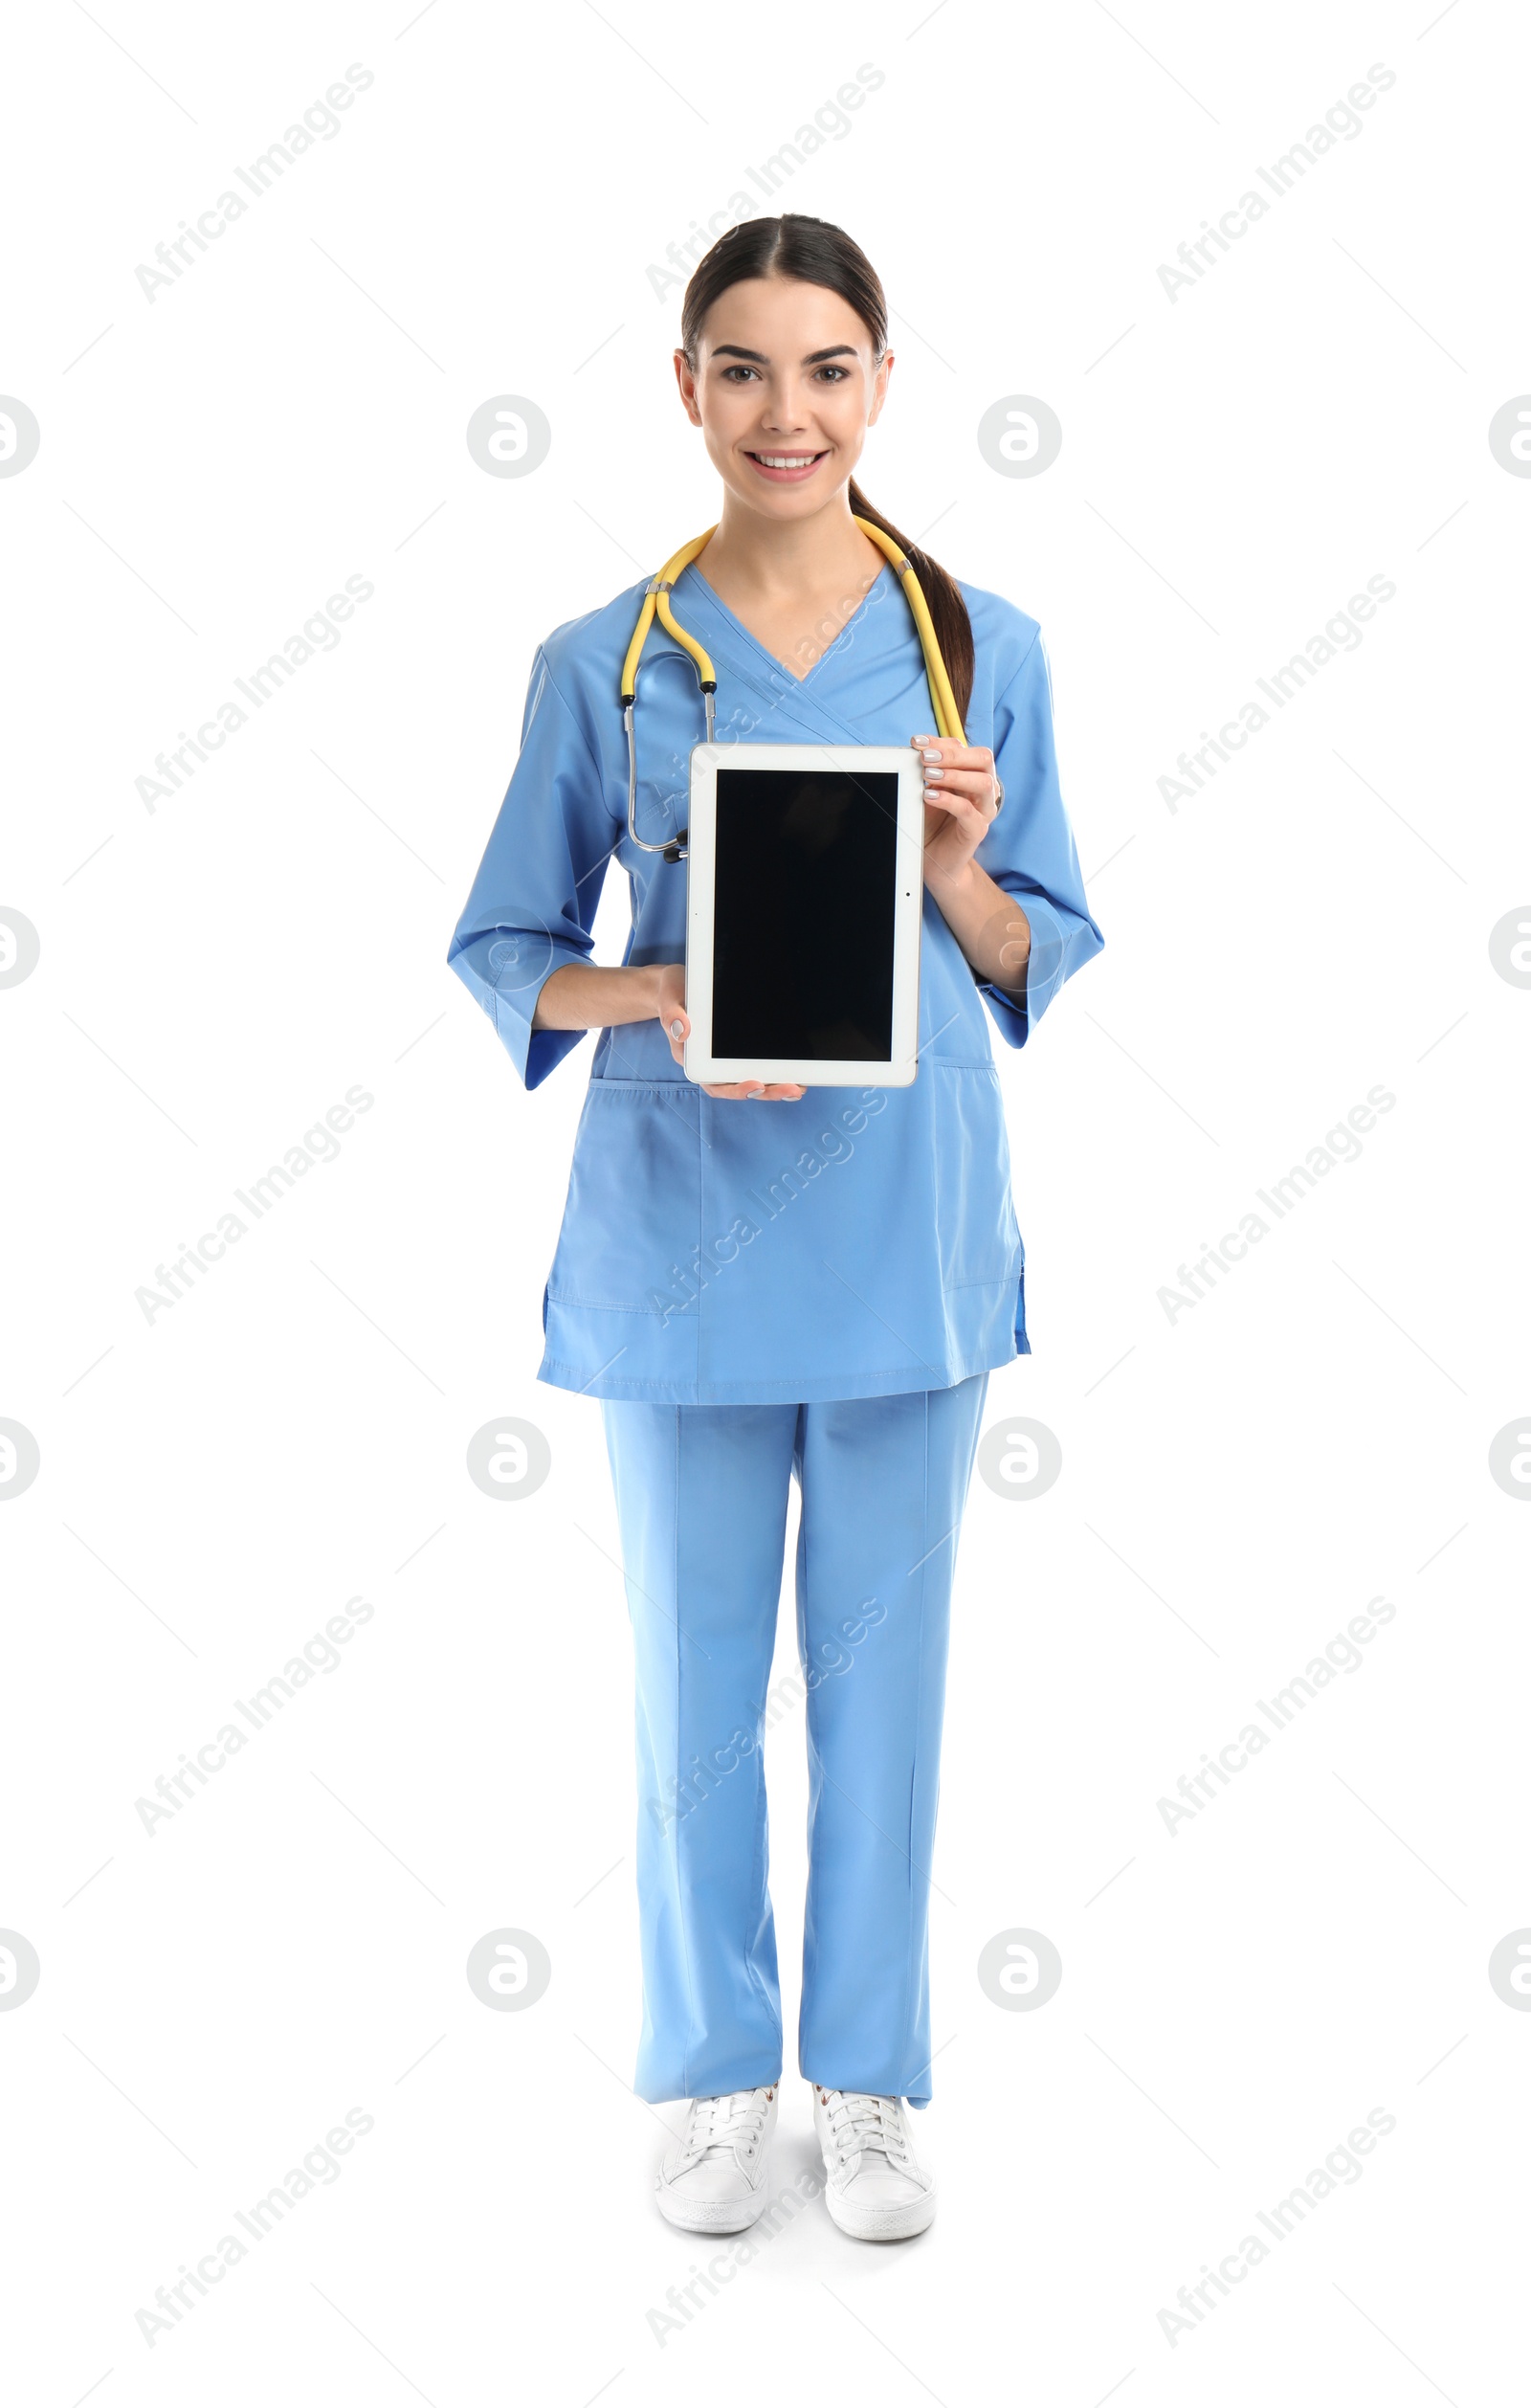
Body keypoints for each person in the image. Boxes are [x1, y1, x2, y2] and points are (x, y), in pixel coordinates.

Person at [448, 212, 1103, 2242]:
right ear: (684, 391)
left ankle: (874, 2080)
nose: (784, 411)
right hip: (688, 1234)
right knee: (692, 1687)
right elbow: (504, 947)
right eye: (742, 368)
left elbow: (1033, 950)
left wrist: (963, 865)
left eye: (825, 369)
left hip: (901, 1223)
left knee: (883, 1681)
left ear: (881, 387)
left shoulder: (982, 644)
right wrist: (651, 996)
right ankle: (721, 2076)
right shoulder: (606, 660)